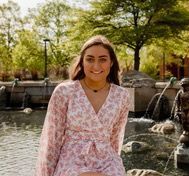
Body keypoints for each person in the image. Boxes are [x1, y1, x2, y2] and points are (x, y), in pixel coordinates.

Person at [35, 35, 130, 176]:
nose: (96, 66)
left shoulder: (122, 96)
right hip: (72, 159)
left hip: (107, 159)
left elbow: (115, 139)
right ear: (82, 62)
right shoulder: (65, 92)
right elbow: (52, 141)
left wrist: (115, 168)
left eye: (103, 59)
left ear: (111, 63)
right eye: (90, 59)